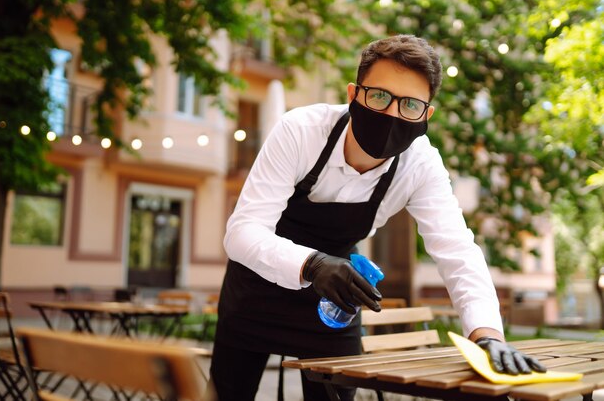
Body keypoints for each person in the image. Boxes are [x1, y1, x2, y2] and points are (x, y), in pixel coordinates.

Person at [208, 34, 545, 401]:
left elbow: (458, 252)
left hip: (334, 306)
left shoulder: (420, 164)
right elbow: (243, 232)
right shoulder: (301, 131)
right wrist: (314, 264)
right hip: (252, 296)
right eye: (380, 96)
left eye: (410, 105)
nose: (392, 114)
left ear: (426, 114)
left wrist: (487, 335)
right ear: (354, 94)